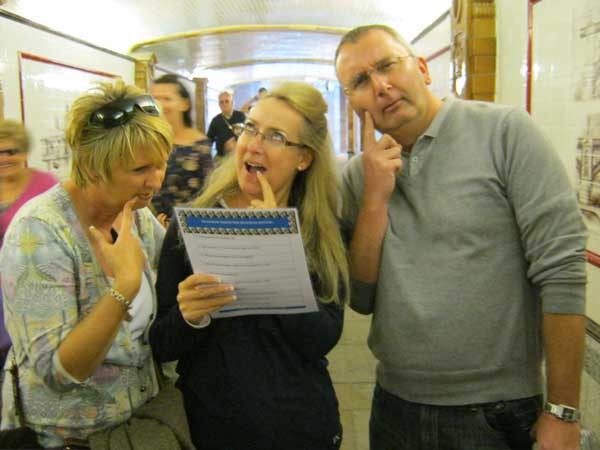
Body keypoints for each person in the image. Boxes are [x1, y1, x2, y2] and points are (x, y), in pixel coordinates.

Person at [335, 25, 587, 450]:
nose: (380, 86)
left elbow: (561, 270)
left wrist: (563, 411)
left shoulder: (506, 132)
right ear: (352, 102)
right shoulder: (359, 176)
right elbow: (360, 298)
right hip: (395, 405)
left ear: (421, 69)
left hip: (497, 409)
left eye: (387, 66)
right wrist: (375, 198)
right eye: (360, 81)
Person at [150, 82, 349, 450]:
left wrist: (277, 250)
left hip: (300, 426)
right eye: (251, 128)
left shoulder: (319, 230)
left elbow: (322, 338)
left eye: (276, 136)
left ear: (304, 158)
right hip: (212, 428)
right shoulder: (194, 222)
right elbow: (162, 343)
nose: (254, 144)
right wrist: (190, 317)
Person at [0, 80, 177, 447]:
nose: (155, 181)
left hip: (136, 427)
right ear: (95, 168)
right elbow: (58, 372)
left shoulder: (137, 217)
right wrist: (123, 287)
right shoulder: (39, 232)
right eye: (141, 169)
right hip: (68, 438)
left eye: (161, 165)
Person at [150, 74, 213, 225]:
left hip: (186, 225)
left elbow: (207, 193)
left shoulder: (199, 145)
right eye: (155, 99)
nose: (160, 105)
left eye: (167, 99)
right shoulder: (147, 141)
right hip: (150, 222)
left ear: (185, 104)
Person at [206, 90, 245, 159]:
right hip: (221, 157)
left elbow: (248, 133)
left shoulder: (241, 116)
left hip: (239, 155)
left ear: (232, 103)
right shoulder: (215, 120)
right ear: (219, 104)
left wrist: (235, 140)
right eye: (221, 102)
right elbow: (209, 140)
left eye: (227, 101)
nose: (224, 104)